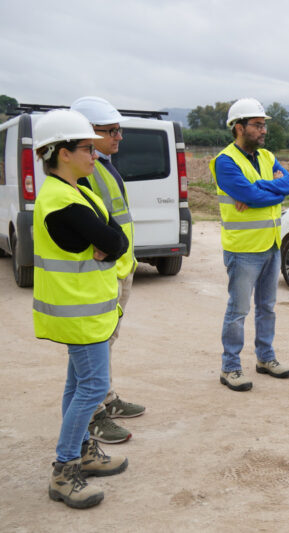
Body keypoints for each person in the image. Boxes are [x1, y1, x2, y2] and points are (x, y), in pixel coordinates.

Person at [33, 109, 129, 509]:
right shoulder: (61, 200)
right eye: (87, 148)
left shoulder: (79, 190)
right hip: (80, 311)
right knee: (91, 388)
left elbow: (116, 238)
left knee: (77, 387)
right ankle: (65, 469)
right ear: (61, 152)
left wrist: (108, 240)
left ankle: (84, 452)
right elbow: (113, 240)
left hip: (90, 309)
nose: (95, 154)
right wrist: (107, 240)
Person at [209, 98, 289, 391]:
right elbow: (253, 193)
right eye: (257, 125)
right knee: (238, 310)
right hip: (244, 249)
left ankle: (265, 358)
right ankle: (230, 367)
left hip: (271, 245)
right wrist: (266, 191)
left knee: (267, 307)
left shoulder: (267, 156)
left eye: (264, 125)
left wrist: (260, 191)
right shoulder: (225, 161)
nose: (263, 131)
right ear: (238, 127)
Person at [71, 96, 143, 444]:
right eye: (111, 131)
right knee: (94, 345)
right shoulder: (82, 171)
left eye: (119, 129)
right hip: (102, 271)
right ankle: (93, 413)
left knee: (107, 340)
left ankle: (106, 397)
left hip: (119, 266)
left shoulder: (103, 164)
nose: (119, 136)